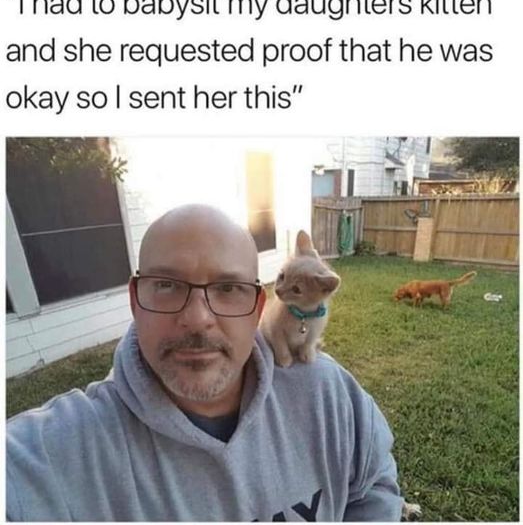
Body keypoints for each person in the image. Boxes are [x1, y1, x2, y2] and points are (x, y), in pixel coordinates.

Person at [7, 204, 404, 521]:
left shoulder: (329, 393)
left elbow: (372, 486)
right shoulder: (58, 450)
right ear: (134, 301)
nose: (197, 318)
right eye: (167, 285)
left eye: (228, 288)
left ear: (257, 308)